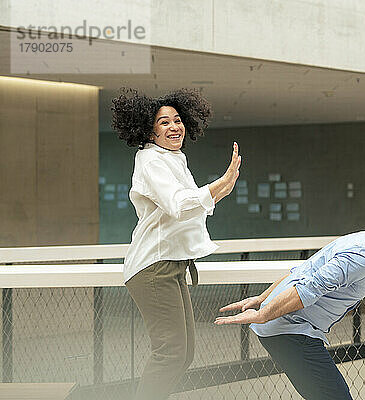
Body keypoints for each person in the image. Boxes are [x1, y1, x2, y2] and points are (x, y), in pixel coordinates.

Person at [215, 196, 365, 400]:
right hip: (290, 330)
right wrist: (262, 313)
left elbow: (304, 270)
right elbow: (311, 286)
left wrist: (262, 298)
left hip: (289, 328)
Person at [112, 87, 241, 400]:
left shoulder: (172, 159)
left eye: (178, 120)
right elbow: (178, 205)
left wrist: (221, 190)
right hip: (154, 267)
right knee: (171, 353)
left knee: (183, 354)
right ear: (149, 130)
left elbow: (189, 209)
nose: (175, 126)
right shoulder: (151, 160)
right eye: (164, 122)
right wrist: (218, 186)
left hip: (170, 265)